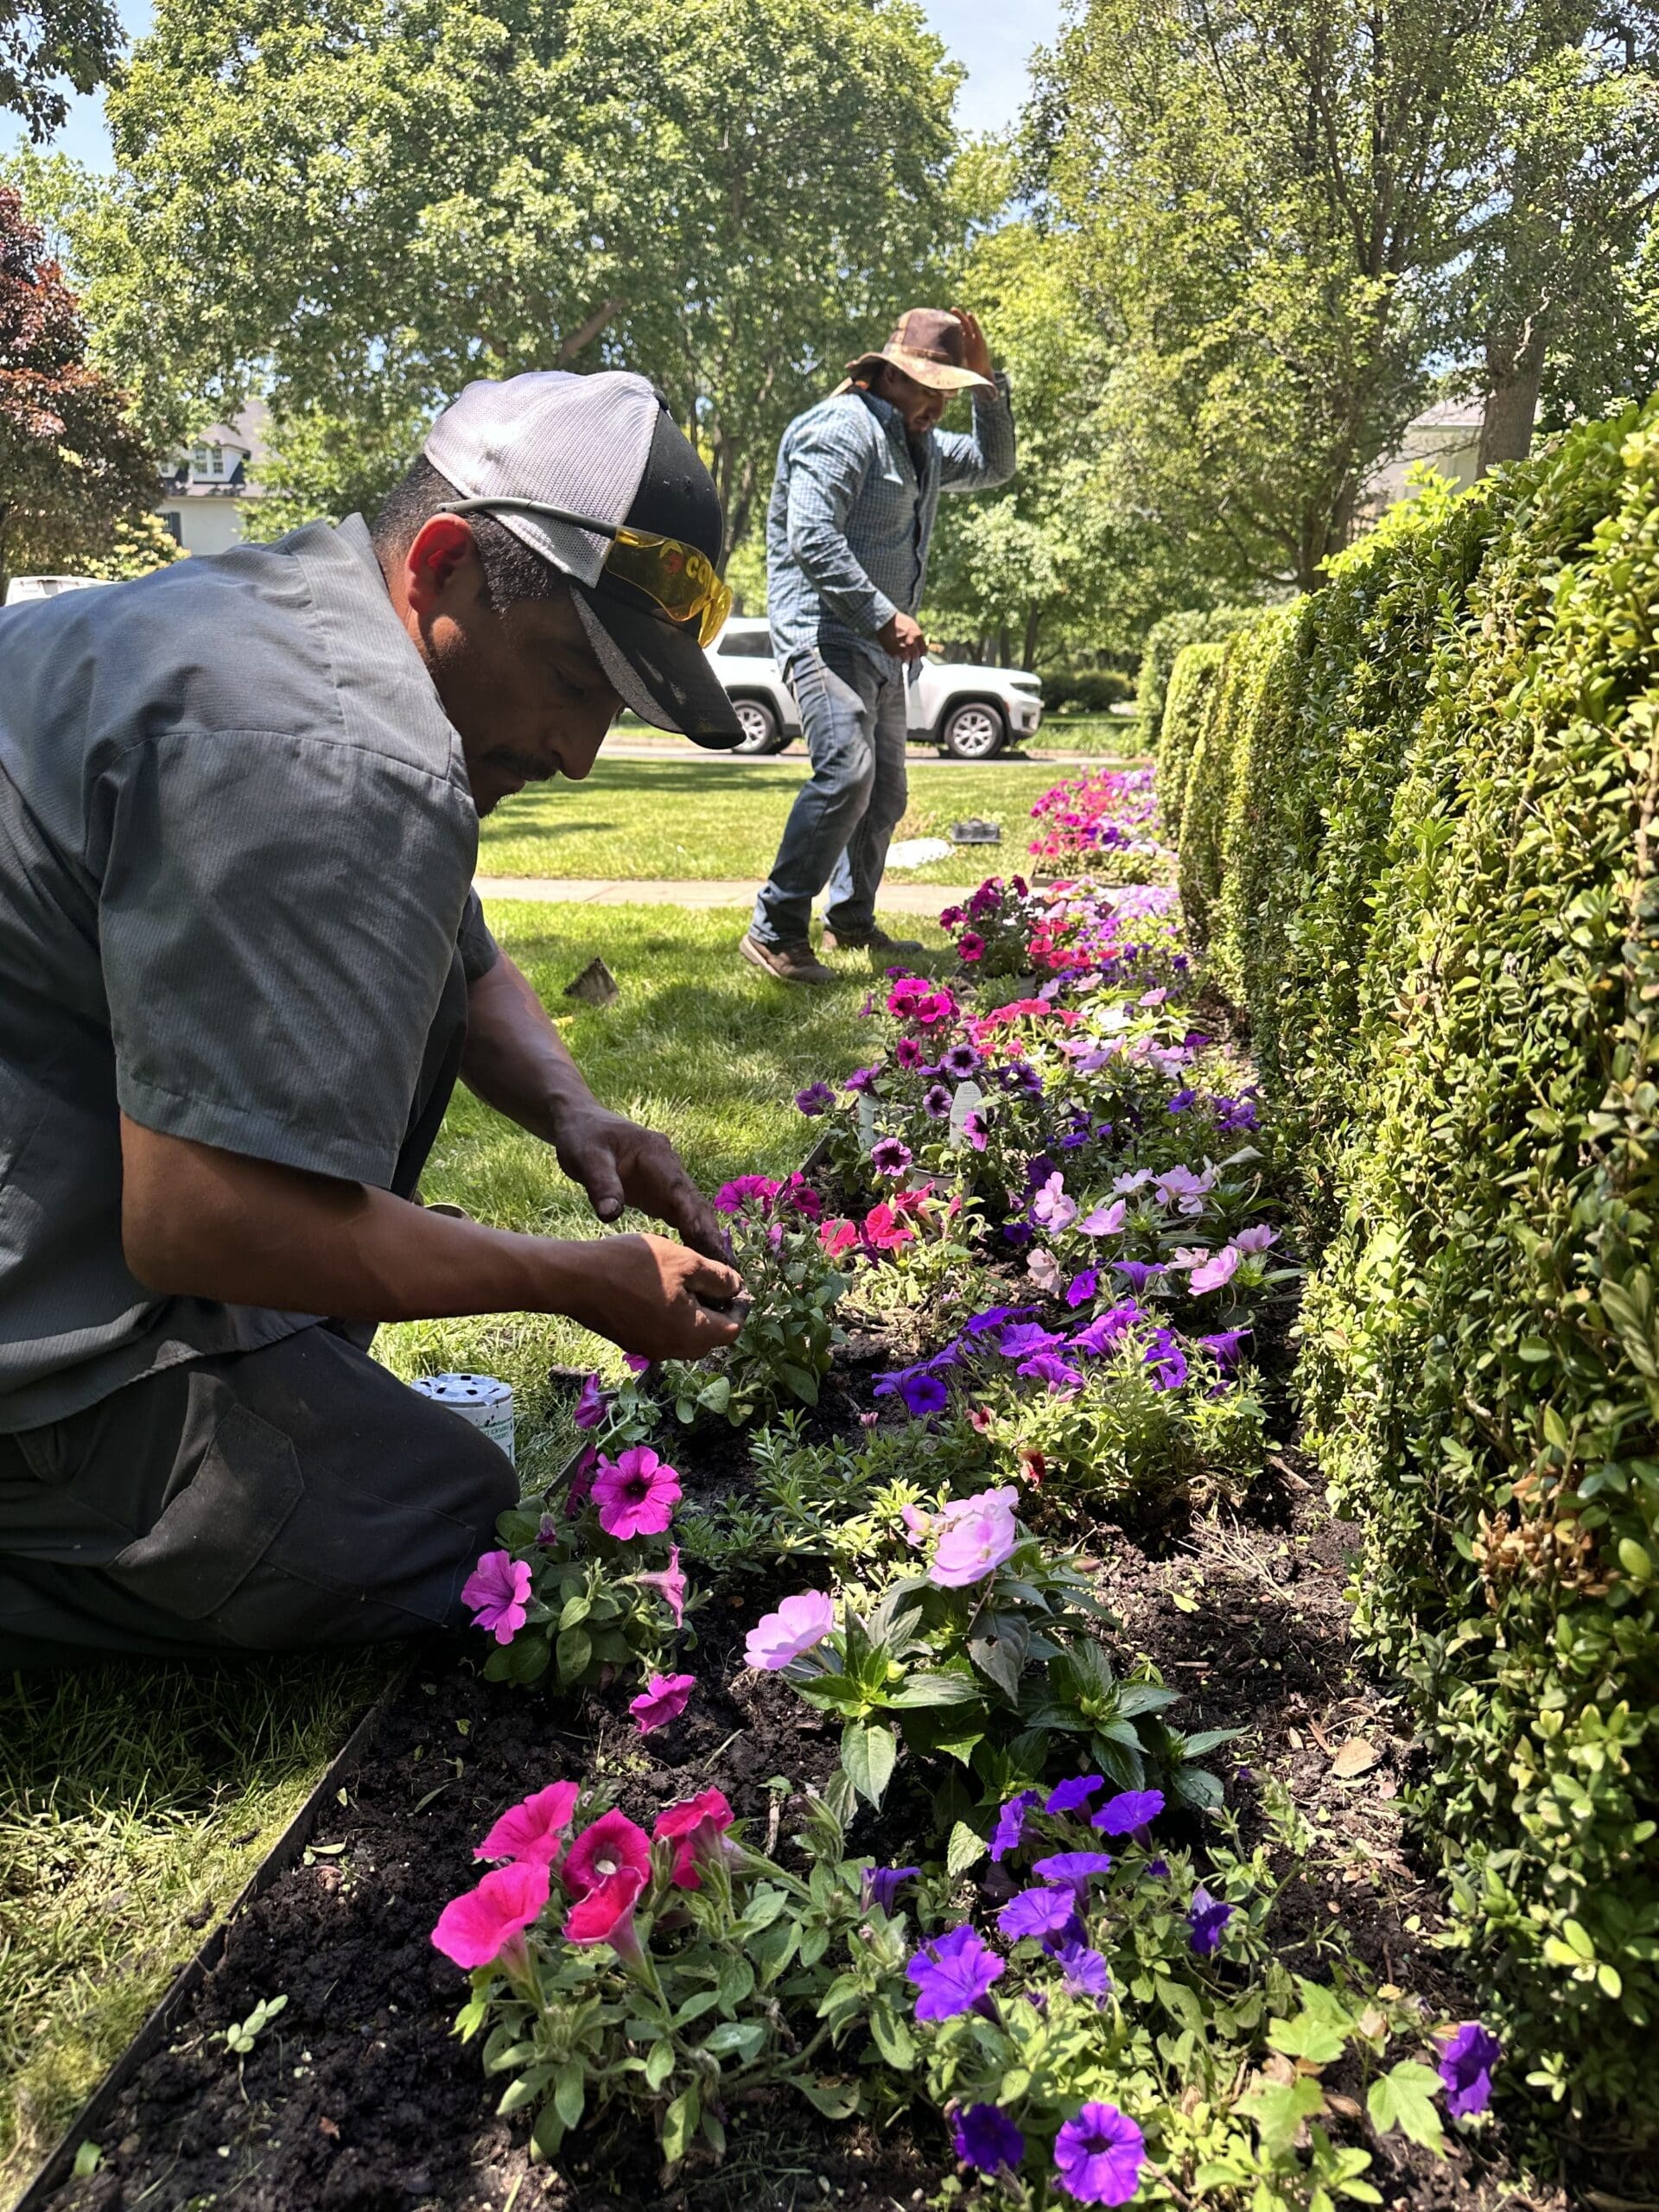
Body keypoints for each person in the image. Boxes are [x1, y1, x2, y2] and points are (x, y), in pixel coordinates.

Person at [0, 369, 749, 1666]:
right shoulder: (336, 749)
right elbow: (207, 1220)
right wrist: (580, 1280)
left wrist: (576, 1113)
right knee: (435, 1523)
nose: (580, 752)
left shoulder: (290, 627)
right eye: (573, 679)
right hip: (44, 1320)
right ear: (446, 565)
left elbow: (465, 959)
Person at [741, 308, 1016, 984]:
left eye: (948, 390)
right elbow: (813, 536)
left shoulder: (920, 444)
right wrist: (883, 616)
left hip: (881, 651)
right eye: (931, 386)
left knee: (885, 791)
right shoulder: (842, 430)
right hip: (827, 634)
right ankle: (774, 929)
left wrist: (989, 386)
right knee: (847, 771)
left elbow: (992, 465)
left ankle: (851, 924)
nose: (939, 403)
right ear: (890, 373)